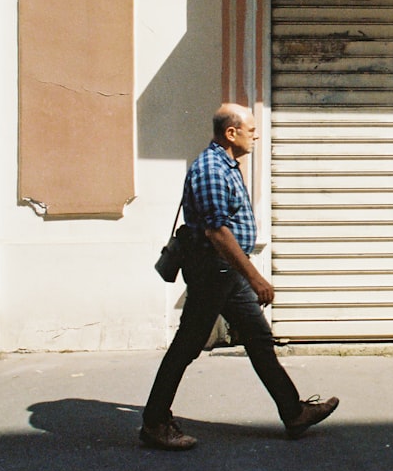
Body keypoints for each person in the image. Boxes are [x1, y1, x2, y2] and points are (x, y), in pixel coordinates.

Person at [140, 103, 338, 450]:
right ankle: (155, 423)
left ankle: (293, 413)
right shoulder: (212, 170)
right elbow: (217, 232)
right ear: (231, 133)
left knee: (259, 340)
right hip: (213, 270)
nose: (256, 134)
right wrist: (255, 278)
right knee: (187, 345)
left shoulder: (227, 165)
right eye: (251, 129)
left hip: (226, 271)